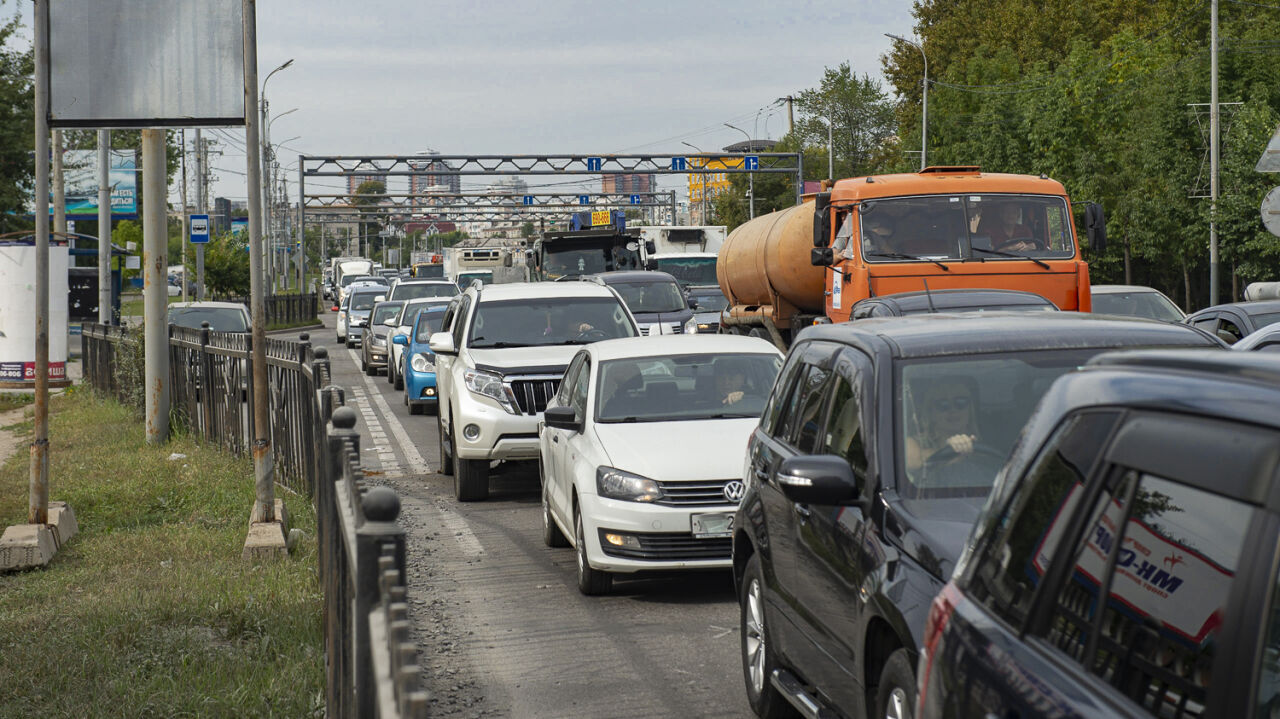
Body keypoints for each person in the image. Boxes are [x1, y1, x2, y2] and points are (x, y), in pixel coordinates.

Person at [905, 377, 980, 473]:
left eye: (960, 403)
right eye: (943, 405)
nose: (953, 410)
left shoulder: (981, 446)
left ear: (970, 410)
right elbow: (912, 462)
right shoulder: (914, 443)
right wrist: (949, 450)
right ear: (931, 413)